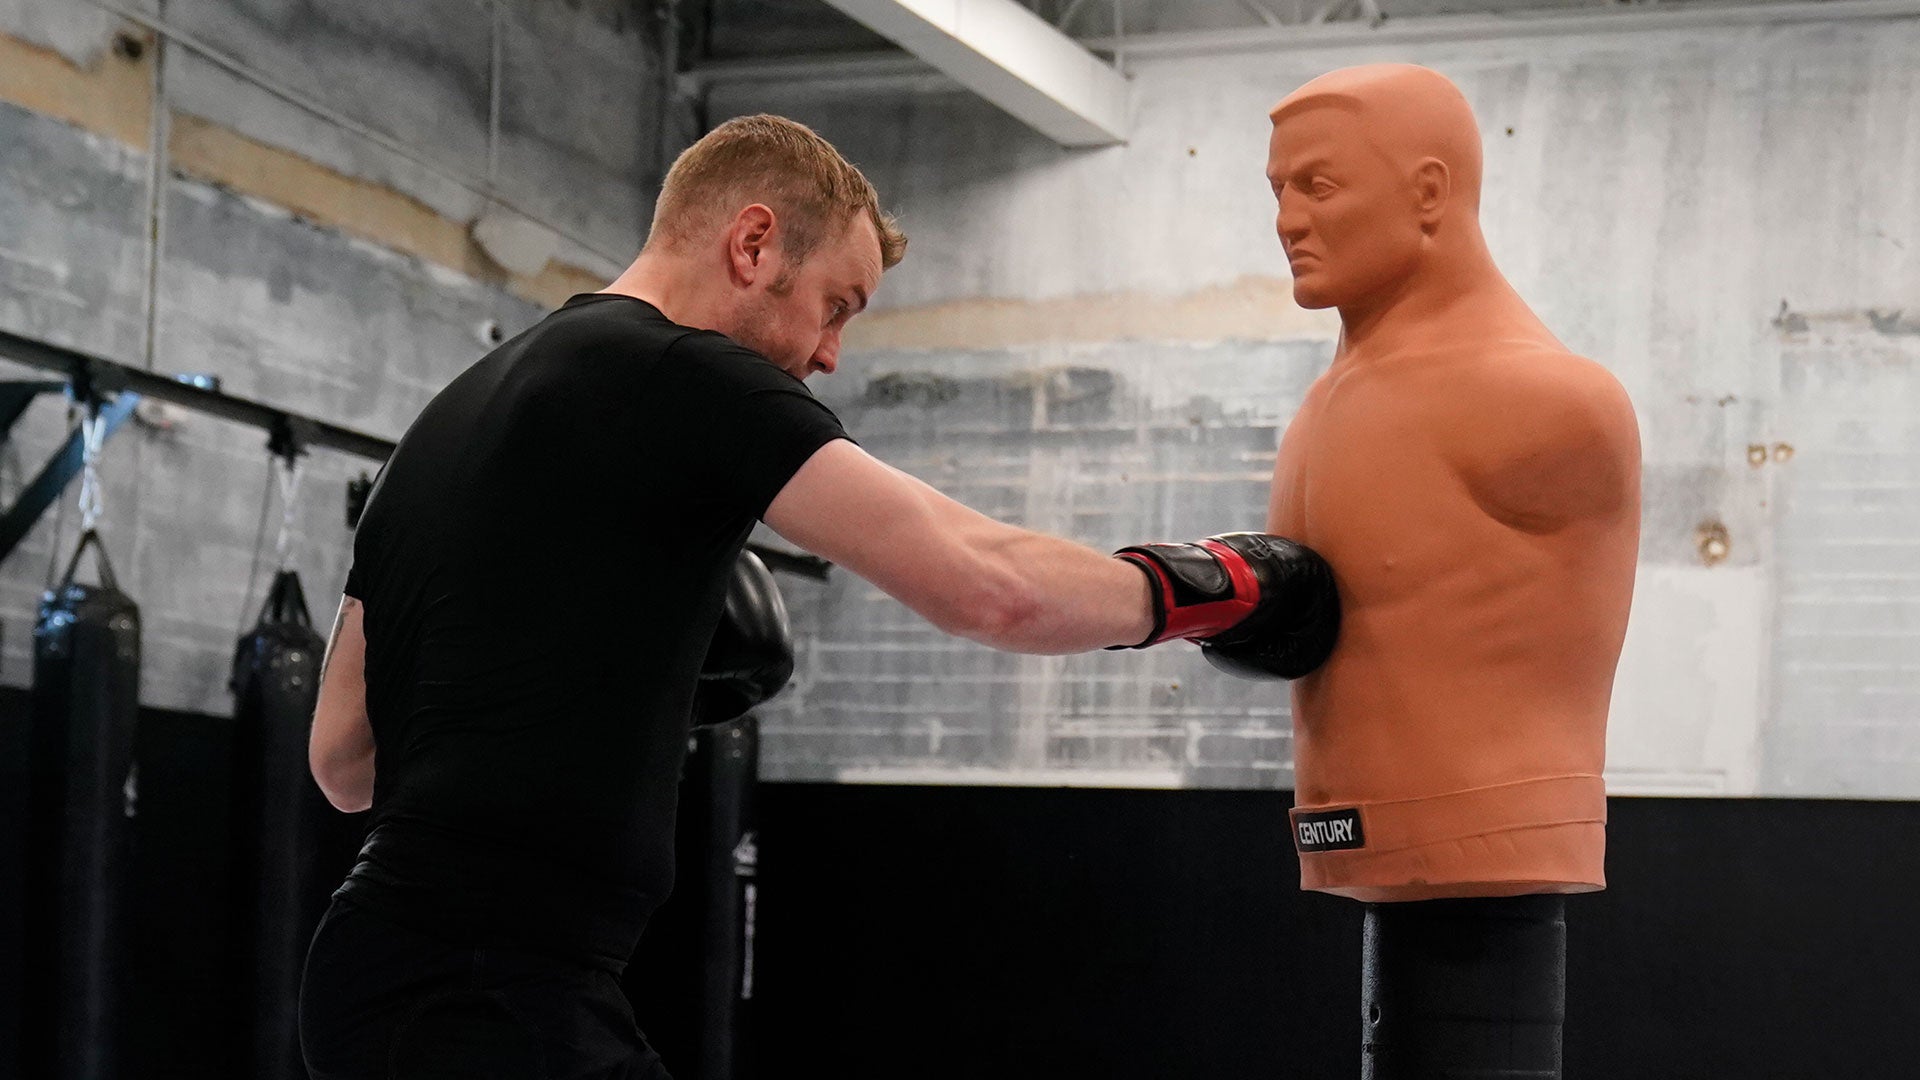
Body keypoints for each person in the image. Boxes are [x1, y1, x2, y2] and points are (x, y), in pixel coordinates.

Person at [299, 114, 1339, 1080]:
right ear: (753, 245)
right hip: (487, 990)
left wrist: (588, 678)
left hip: (386, 977)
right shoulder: (681, 374)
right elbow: (991, 586)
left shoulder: (443, 421)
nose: (832, 354)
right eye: (836, 305)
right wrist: (1219, 589)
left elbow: (343, 760)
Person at [1262, 65, 1642, 1077]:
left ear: (1428, 193)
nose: (1289, 220)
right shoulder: (1322, 410)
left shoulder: (1546, 400)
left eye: (1320, 187)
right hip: (1356, 832)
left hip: (1487, 842)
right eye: (1279, 192)